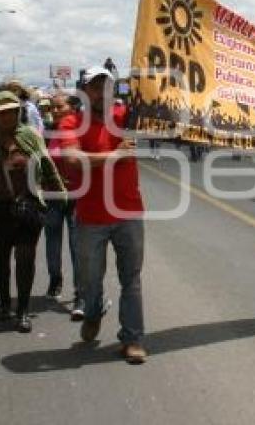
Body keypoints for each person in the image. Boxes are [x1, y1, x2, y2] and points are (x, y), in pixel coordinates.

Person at [60, 66, 147, 364]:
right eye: (95, 87)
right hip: (91, 218)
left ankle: (132, 338)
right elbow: (73, 159)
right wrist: (114, 155)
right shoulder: (72, 121)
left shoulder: (127, 118)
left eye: (106, 86)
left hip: (128, 213)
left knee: (131, 279)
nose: (101, 93)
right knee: (90, 280)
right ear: (84, 93)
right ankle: (94, 311)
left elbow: (159, 109)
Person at [0, 91, 66, 333]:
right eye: (2, 112)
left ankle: (22, 310)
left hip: (28, 205)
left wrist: (59, 192)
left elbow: (46, 163)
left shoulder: (30, 135)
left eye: (12, 111)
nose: (8, 116)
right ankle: (3, 302)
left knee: (25, 258)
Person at [45, 93, 84, 319]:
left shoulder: (80, 130)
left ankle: (80, 293)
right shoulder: (49, 130)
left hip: (77, 195)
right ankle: (55, 279)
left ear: (72, 108)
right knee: (52, 240)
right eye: (52, 107)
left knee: (77, 246)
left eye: (59, 106)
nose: (55, 110)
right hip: (52, 196)